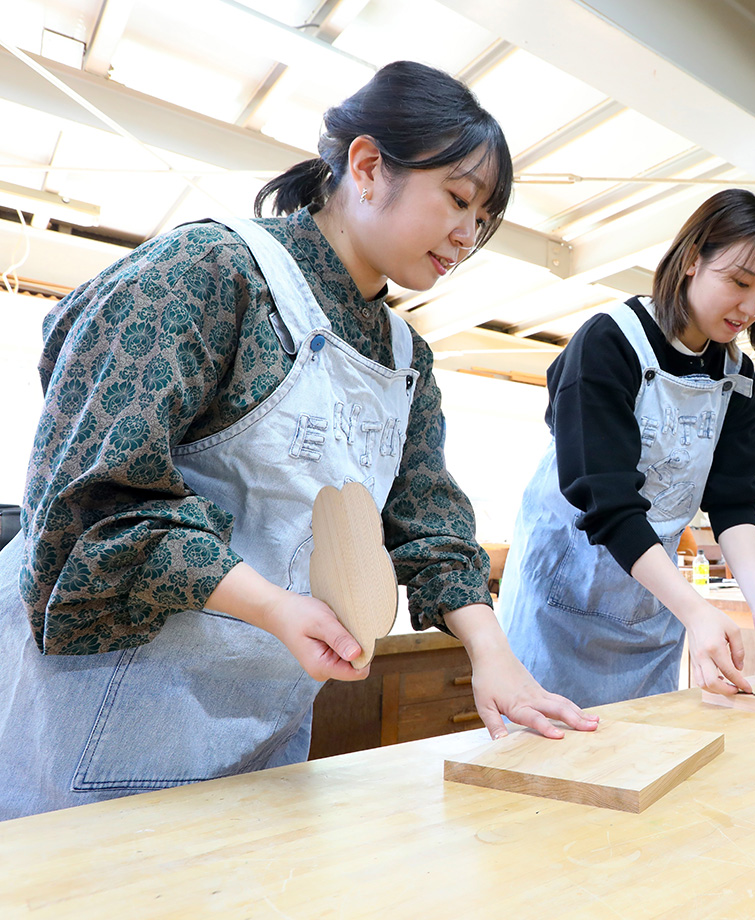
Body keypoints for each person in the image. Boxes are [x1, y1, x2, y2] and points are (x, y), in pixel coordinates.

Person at [0, 61, 593, 821]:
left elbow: (430, 526)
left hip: (267, 724)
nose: (467, 235)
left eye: (483, 219)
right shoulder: (209, 272)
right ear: (369, 166)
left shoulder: (408, 359)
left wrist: (494, 655)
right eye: (458, 199)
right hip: (110, 713)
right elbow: (92, 499)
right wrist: (278, 607)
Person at [500, 189, 755, 707]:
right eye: (739, 282)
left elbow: (734, 501)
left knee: (643, 756)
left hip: (652, 608)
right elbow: (606, 501)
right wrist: (694, 609)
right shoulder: (610, 342)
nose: (752, 307)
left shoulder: (735, 377)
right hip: (560, 607)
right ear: (692, 259)